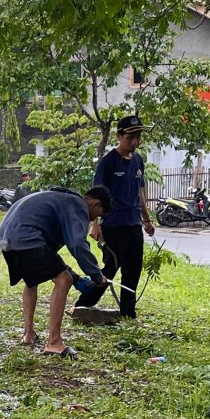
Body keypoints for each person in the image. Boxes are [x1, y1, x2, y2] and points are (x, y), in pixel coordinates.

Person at [0, 184, 111, 355]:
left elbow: (48, 256)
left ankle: (28, 335)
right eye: (98, 216)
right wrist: (97, 274)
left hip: (6, 238)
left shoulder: (57, 198)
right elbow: (77, 245)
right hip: (26, 238)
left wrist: (77, 277)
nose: (94, 220)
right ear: (95, 204)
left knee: (31, 280)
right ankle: (54, 342)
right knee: (64, 280)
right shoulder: (76, 204)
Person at [93, 114, 156, 317]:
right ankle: (83, 304)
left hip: (133, 225)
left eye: (138, 137)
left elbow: (140, 193)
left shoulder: (138, 160)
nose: (135, 142)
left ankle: (128, 313)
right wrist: (95, 225)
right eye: (130, 138)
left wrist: (146, 220)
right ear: (119, 136)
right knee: (110, 269)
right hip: (112, 226)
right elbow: (95, 197)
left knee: (133, 271)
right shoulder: (107, 163)